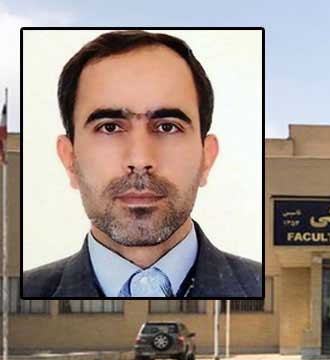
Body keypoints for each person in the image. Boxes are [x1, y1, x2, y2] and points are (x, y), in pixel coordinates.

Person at [22, 30, 262, 298]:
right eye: (110, 127)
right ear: (70, 159)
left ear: (207, 157)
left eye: (167, 127)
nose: (140, 160)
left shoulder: (262, 287)